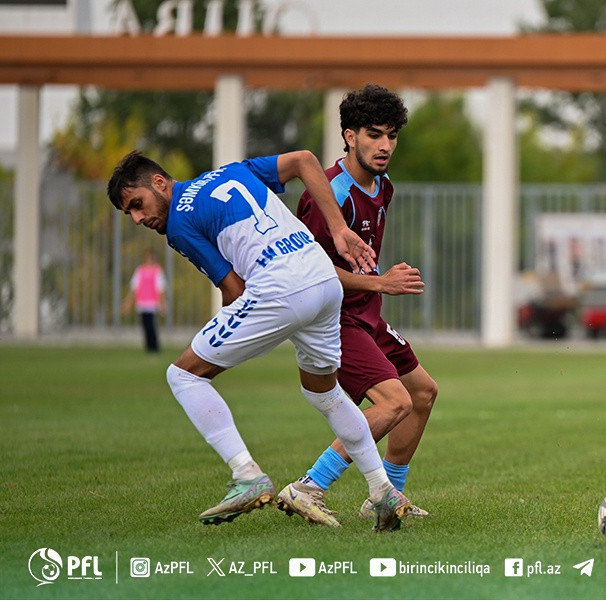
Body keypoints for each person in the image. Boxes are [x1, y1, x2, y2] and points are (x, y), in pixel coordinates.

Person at [107, 149, 413, 531]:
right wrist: (338, 228)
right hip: (323, 280)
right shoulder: (234, 170)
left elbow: (234, 290)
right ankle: (382, 491)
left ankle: (246, 475)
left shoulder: (179, 222)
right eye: (129, 214)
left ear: (159, 182)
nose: (138, 218)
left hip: (280, 288)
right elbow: (304, 159)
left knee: (184, 375)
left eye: (137, 204)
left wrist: (222, 337)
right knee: (324, 392)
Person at [281, 83, 438, 527]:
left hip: (365, 316)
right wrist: (380, 283)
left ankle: (385, 497)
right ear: (349, 136)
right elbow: (308, 272)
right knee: (393, 403)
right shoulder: (326, 194)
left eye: (391, 136)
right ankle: (308, 487)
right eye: (374, 134)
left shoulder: (382, 186)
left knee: (422, 393)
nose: (384, 145)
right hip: (331, 319)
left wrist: (375, 288)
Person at [122, 249, 167, 352]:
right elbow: (134, 287)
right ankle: (148, 347)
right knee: (145, 325)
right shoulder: (140, 270)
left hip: (153, 303)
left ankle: (154, 347)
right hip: (142, 302)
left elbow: (160, 288)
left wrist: (162, 303)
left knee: (151, 325)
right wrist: (128, 302)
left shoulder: (157, 270)